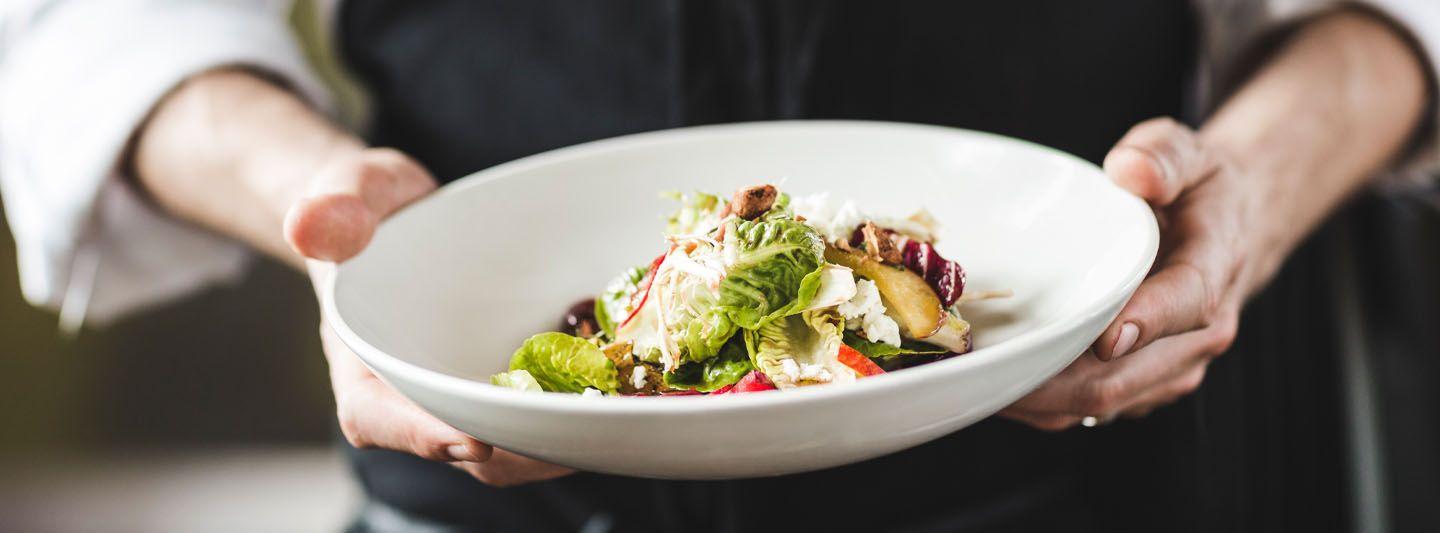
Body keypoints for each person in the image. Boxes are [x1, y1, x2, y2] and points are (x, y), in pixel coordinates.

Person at [1, 1, 1436, 531]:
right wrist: (316, 199)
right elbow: (81, 27)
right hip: (485, 487)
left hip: (1062, 473)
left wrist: (1245, 185)